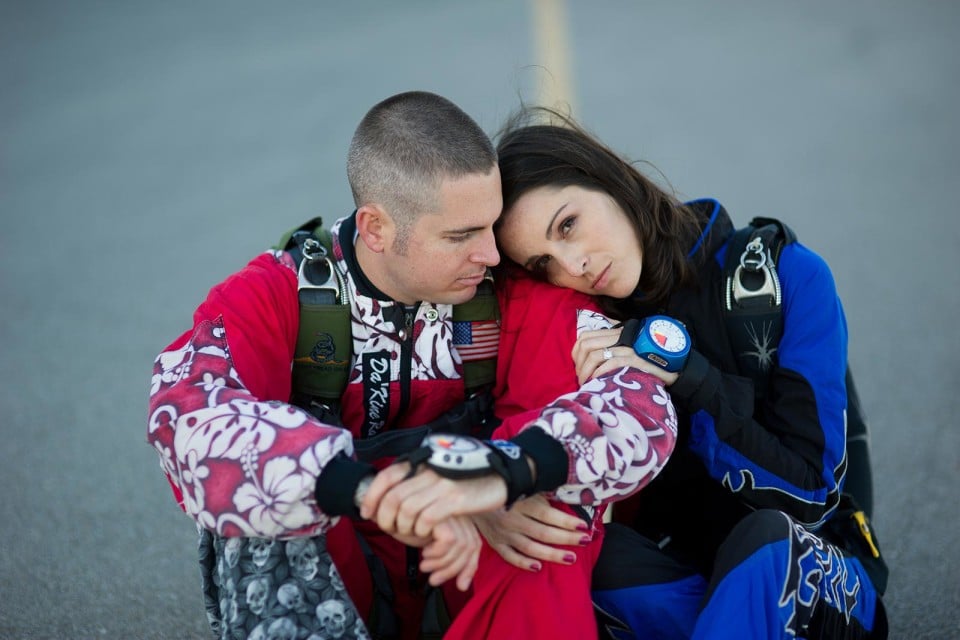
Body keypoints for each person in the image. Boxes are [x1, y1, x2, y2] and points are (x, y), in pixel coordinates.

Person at [147, 91, 677, 640]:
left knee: (556, 502)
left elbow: (640, 403)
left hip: (472, 578)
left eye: (490, 226)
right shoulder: (280, 294)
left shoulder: (509, 290)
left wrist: (499, 475)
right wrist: (372, 492)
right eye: (460, 235)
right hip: (341, 564)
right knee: (260, 513)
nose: (493, 255)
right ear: (376, 229)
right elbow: (183, 416)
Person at [491, 108, 888, 639]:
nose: (573, 266)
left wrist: (686, 375)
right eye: (544, 264)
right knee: (580, 553)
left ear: (607, 178)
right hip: (692, 584)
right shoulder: (595, 332)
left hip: (817, 578)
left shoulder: (784, 277)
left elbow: (814, 497)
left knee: (764, 544)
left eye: (568, 225)